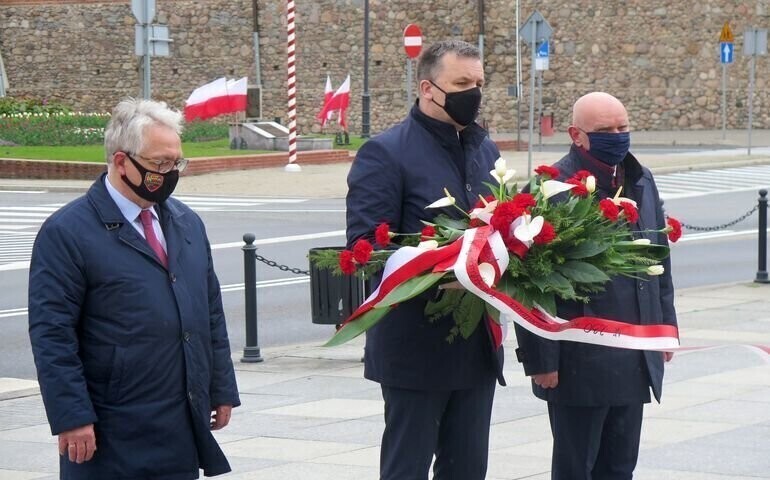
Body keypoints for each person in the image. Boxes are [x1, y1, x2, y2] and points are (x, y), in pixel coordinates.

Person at [28, 98, 240, 479]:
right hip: (110, 427)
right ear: (121, 161)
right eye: (160, 164)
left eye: (176, 163)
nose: (170, 173)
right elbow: (52, 334)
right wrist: (72, 416)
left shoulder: (186, 223)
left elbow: (209, 311)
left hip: (179, 423)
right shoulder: (67, 232)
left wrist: (221, 386)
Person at [346, 40, 505, 480]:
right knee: (407, 470)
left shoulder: (484, 150)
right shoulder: (385, 153)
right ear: (428, 88)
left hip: (476, 347)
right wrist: (443, 270)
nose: (472, 93)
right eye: (461, 83)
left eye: (478, 84)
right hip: (414, 349)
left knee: (468, 470)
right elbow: (366, 249)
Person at [514, 91, 677, 480]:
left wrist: (664, 330)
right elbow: (527, 281)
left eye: (623, 127)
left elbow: (658, 259)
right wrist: (542, 360)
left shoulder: (640, 179)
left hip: (635, 351)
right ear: (576, 134)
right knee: (576, 469)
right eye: (605, 130)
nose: (618, 136)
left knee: (620, 467)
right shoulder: (552, 189)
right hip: (579, 361)